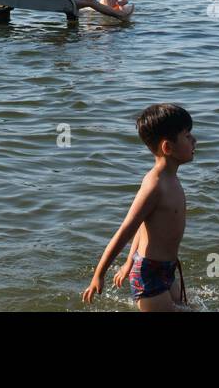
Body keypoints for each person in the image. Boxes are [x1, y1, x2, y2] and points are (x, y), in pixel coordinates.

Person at [82, 104, 196, 311]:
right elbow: (126, 230)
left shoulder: (171, 178)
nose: (194, 140)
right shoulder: (155, 185)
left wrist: (129, 262)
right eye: (187, 136)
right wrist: (99, 275)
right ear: (167, 148)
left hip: (167, 270)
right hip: (149, 276)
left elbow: (145, 225)